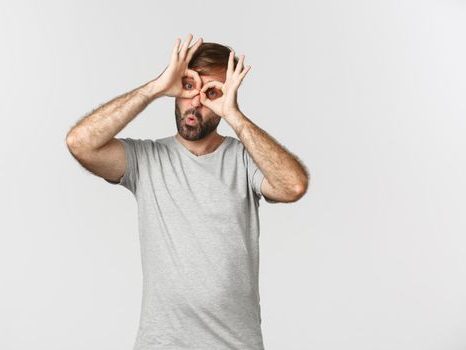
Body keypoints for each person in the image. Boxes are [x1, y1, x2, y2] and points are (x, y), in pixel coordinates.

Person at [66, 33, 309, 350]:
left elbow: (293, 185)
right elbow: (80, 143)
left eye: (211, 93)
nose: (196, 101)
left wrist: (233, 115)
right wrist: (155, 87)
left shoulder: (245, 160)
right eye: (189, 86)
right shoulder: (147, 160)